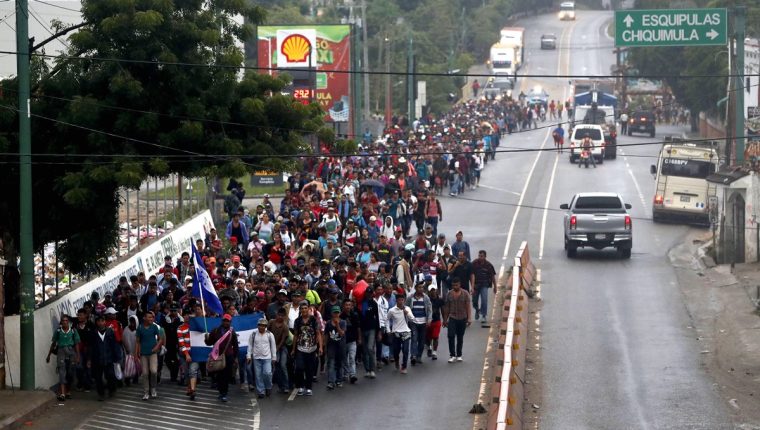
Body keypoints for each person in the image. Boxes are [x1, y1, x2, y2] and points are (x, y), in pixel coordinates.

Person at [205, 313, 239, 402]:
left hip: (228, 357)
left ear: (230, 322)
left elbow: (235, 346)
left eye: (228, 321)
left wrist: (235, 358)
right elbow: (209, 343)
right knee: (219, 375)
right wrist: (206, 338)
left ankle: (224, 393)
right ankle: (220, 390)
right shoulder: (215, 331)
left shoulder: (232, 332)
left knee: (226, 375)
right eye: (224, 321)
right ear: (222, 321)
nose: (226, 323)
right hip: (217, 356)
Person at [88, 315, 122, 401]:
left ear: (104, 322)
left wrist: (117, 357)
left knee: (110, 375)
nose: (100, 323)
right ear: (96, 322)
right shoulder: (94, 333)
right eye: (98, 321)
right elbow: (91, 347)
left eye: (102, 321)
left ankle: (112, 389)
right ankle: (101, 393)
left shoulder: (110, 332)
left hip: (109, 358)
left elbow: (114, 345)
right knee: (98, 377)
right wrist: (89, 359)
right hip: (97, 359)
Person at [292, 300, 323, 397]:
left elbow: (318, 333)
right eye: (302, 308)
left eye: (306, 308)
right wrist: (293, 349)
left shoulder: (314, 320)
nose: (304, 310)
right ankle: (300, 386)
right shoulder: (297, 321)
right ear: (300, 310)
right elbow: (296, 335)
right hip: (300, 348)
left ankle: (308, 388)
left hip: (312, 348)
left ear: (309, 309)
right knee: (300, 367)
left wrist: (321, 347)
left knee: (310, 369)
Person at [46, 314, 80, 401]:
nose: (65, 322)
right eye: (63, 321)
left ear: (68, 322)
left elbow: (76, 344)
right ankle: (63, 393)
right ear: (61, 322)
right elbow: (54, 343)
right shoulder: (58, 331)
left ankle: (68, 390)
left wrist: (78, 356)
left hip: (71, 352)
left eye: (66, 321)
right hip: (61, 352)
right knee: (62, 371)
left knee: (70, 373)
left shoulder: (73, 331)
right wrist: (49, 355)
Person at [135, 311, 165, 400]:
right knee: (145, 373)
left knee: (154, 371)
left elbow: (161, 338)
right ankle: (146, 392)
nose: (151, 319)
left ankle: (153, 388)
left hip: (153, 353)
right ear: (144, 318)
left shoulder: (155, 327)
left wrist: (157, 347)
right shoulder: (140, 328)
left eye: (152, 317)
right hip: (143, 354)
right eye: (149, 317)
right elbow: (137, 341)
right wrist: (135, 354)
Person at [247, 318, 277, 399]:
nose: (261, 327)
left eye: (263, 326)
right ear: (257, 326)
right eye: (260, 325)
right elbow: (250, 345)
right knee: (258, 375)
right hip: (256, 357)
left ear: (266, 326)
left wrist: (274, 357)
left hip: (267, 357)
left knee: (267, 373)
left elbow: (273, 346)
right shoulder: (253, 334)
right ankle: (261, 391)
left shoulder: (270, 334)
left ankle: (268, 387)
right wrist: (249, 356)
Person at [443, 278, 471, 362]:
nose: (455, 287)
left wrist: (469, 318)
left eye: (456, 285)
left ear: (460, 284)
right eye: (453, 285)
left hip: (462, 318)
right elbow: (447, 308)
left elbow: (468, 307)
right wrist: (445, 320)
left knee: (460, 337)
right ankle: (452, 355)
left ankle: (459, 355)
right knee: (450, 335)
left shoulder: (465, 293)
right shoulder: (449, 294)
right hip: (452, 318)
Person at [386, 293, 414, 374]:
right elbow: (387, 320)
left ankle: (404, 366)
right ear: (396, 301)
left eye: (402, 300)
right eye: (399, 300)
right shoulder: (392, 310)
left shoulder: (407, 308)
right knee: (396, 350)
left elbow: (412, 319)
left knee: (405, 350)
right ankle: (396, 361)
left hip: (406, 332)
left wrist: (407, 313)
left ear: (404, 300)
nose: (401, 302)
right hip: (396, 332)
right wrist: (388, 330)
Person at [408, 281, 432, 366]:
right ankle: (413, 356)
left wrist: (429, 320)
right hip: (413, 322)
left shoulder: (426, 298)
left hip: (423, 323)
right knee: (414, 338)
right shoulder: (410, 297)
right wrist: (409, 319)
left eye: (422, 287)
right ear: (416, 288)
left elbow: (429, 309)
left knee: (422, 341)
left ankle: (419, 356)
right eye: (419, 287)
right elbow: (407, 308)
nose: (421, 289)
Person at [177, 308, 199, 400]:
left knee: (193, 371)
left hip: (195, 354)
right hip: (183, 354)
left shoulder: (197, 327)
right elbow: (181, 343)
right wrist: (186, 354)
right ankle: (189, 388)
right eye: (186, 315)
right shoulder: (180, 328)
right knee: (186, 373)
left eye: (190, 314)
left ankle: (193, 390)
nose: (188, 316)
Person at [268, 308, 291, 393]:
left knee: (283, 365)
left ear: (284, 317)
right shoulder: (271, 322)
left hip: (282, 347)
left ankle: (286, 386)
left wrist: (277, 348)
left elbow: (283, 340)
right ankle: (281, 386)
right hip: (272, 346)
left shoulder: (285, 326)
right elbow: (267, 333)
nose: (280, 317)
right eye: (279, 315)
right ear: (276, 314)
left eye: (282, 316)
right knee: (276, 366)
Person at [472, 250, 497, 326]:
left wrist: (495, 286)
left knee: (484, 300)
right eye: (479, 256)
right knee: (474, 301)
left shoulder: (489, 265)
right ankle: (477, 309)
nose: (480, 257)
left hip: (484, 285)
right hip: (476, 285)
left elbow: (492, 276)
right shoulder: (474, 263)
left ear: (485, 257)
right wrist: (472, 286)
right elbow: (471, 274)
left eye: (482, 256)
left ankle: (483, 315)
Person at [324, 305, 346, 390]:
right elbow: (326, 335)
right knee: (331, 363)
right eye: (334, 313)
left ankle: (339, 380)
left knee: (339, 363)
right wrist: (324, 346)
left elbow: (342, 333)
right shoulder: (328, 323)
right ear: (331, 314)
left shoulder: (343, 322)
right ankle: (331, 382)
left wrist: (337, 325)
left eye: (337, 312)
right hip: (331, 346)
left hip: (340, 346)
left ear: (340, 313)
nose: (336, 314)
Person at [340, 299, 361, 384]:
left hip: (352, 340)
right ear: (343, 306)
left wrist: (359, 338)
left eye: (349, 305)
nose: (348, 307)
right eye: (346, 305)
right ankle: (345, 373)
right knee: (345, 359)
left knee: (352, 357)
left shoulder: (354, 315)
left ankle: (352, 374)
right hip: (344, 340)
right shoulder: (341, 316)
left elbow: (358, 327)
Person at [426, 285, 444, 360]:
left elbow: (442, 310)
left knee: (435, 337)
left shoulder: (440, 299)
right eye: (431, 290)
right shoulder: (426, 299)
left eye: (434, 290)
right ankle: (429, 347)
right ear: (429, 291)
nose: (433, 291)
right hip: (428, 321)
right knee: (428, 337)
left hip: (437, 321)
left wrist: (445, 320)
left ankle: (434, 352)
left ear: (436, 290)